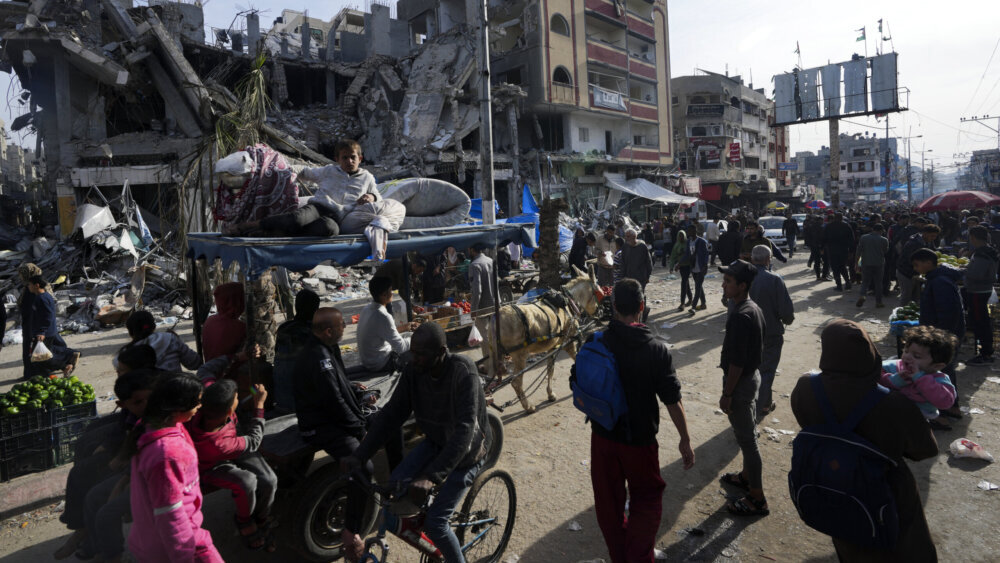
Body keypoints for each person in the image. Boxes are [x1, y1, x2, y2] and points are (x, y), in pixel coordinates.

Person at [790, 319, 938, 562]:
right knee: (904, 545)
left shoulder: (807, 386)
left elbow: (805, 420)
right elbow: (924, 449)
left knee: (851, 539)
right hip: (886, 490)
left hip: (832, 482)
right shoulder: (893, 403)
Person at [343, 322, 489, 563]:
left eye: (422, 354)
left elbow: (465, 431)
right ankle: (431, 542)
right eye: (413, 352)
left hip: (468, 451)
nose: (415, 359)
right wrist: (360, 455)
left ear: (442, 352)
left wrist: (431, 476)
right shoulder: (414, 370)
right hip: (436, 441)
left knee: (437, 524)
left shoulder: (463, 371)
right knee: (395, 487)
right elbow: (392, 414)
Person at [577, 278, 695, 563]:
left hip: (602, 437)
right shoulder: (655, 349)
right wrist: (685, 439)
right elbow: (671, 399)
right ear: (641, 307)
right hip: (639, 442)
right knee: (647, 498)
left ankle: (620, 556)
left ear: (613, 306)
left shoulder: (596, 340)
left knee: (609, 502)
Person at [294, 307, 404, 555]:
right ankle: (351, 530)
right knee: (363, 466)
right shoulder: (318, 357)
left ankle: (398, 481)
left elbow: (337, 387)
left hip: (339, 418)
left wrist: (356, 390)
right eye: (342, 325)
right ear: (329, 331)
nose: (345, 328)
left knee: (390, 422)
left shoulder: (325, 349)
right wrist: (360, 431)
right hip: (323, 426)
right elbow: (334, 402)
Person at [55, 369, 158, 561]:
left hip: (144, 476)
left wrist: (123, 481)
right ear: (122, 405)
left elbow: (149, 456)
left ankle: (108, 552)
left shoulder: (159, 421)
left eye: (148, 400)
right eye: (138, 402)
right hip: (132, 469)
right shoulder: (136, 419)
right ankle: (92, 540)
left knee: (101, 505)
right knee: (90, 489)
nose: (146, 405)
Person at [126, 372, 222, 563]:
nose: (199, 407)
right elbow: (170, 516)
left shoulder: (155, 424)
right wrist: (184, 557)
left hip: (155, 539)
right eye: (197, 403)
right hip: (177, 547)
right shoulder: (167, 454)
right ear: (178, 408)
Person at [187, 380, 277, 552]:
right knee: (247, 482)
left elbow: (212, 379)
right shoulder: (216, 444)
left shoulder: (208, 403)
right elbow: (254, 441)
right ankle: (244, 520)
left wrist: (251, 385)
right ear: (229, 411)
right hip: (211, 465)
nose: (238, 398)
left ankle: (262, 516)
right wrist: (259, 404)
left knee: (270, 480)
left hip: (234, 440)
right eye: (236, 398)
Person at [228, 139, 380, 238]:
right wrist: (285, 171)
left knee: (329, 230)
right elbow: (305, 172)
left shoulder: (367, 177)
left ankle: (271, 232)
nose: (349, 161)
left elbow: (378, 196)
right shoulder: (329, 171)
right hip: (318, 207)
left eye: (353, 157)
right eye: (344, 157)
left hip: (338, 217)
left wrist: (371, 197)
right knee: (297, 218)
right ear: (337, 159)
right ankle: (250, 225)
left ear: (360, 158)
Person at [717, 260, 769, 516]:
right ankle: (747, 477)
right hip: (750, 378)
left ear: (742, 285)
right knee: (746, 432)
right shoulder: (751, 308)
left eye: (728, 281)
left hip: (740, 384)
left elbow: (737, 363)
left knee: (748, 441)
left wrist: (727, 394)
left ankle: (757, 497)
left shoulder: (742, 315)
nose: (724, 285)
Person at [911, 247, 964, 419]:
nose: (916, 269)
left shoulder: (940, 281)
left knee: (938, 371)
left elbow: (949, 313)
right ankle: (951, 407)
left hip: (942, 336)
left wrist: (938, 338)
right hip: (942, 334)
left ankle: (941, 414)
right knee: (946, 370)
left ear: (928, 263)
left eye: (917, 265)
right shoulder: (937, 278)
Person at [881, 326, 958, 431]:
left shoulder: (938, 380)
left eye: (917, 356)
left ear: (937, 366)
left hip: (916, 424)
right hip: (886, 417)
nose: (907, 357)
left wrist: (921, 379)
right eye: (906, 351)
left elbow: (946, 402)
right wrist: (894, 380)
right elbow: (873, 376)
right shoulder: (893, 367)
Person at [748, 246, 794, 416]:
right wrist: (787, 320)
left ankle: (765, 403)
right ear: (768, 260)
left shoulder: (743, 278)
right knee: (766, 371)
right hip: (770, 332)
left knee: (753, 369)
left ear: (753, 259)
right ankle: (758, 409)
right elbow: (786, 311)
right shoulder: (775, 279)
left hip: (747, 333)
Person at [272, 288, 320, 412]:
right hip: (301, 403)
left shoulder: (284, 328)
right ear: (316, 309)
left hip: (281, 397)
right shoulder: (313, 332)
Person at [357, 276, 417, 372]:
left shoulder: (367, 309)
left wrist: (405, 328)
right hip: (379, 363)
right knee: (420, 345)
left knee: (409, 335)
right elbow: (401, 348)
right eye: (390, 291)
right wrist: (417, 337)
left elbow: (383, 333)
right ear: (384, 295)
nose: (392, 293)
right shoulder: (383, 315)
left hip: (368, 360)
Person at [26, 275, 80, 376]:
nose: (28, 287)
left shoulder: (41, 299)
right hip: (49, 331)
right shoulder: (45, 296)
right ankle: (70, 355)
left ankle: (65, 365)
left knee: (41, 357)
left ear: (36, 285)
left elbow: (48, 316)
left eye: (29, 285)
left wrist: (41, 331)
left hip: (45, 333)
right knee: (50, 352)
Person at [117, 310, 202, 373]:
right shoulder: (170, 339)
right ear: (153, 326)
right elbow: (195, 363)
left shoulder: (125, 354)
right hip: (177, 391)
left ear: (130, 333)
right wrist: (178, 341)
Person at [964, 225, 998, 366]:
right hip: (983, 290)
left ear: (973, 237)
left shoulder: (982, 253)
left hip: (978, 292)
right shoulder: (989, 250)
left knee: (981, 323)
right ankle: (985, 351)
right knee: (981, 321)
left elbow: (976, 274)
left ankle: (985, 354)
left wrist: (964, 270)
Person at [200, 282, 247, 362]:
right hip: (229, 373)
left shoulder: (210, 320)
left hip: (210, 371)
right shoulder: (239, 327)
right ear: (237, 302)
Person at [897, 224, 940, 305]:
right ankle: (900, 315)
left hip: (917, 273)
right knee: (906, 297)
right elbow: (909, 260)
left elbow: (933, 251)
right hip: (905, 273)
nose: (933, 238)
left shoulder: (928, 242)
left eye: (935, 236)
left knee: (916, 298)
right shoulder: (913, 243)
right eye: (932, 236)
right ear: (925, 233)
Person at [468, 243, 495, 356]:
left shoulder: (475, 265)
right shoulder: (490, 261)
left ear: (472, 250)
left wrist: (473, 309)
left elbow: (477, 290)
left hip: (482, 307)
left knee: (484, 336)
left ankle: (489, 363)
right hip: (494, 303)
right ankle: (499, 360)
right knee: (495, 334)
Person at [855, 223, 890, 308]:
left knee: (865, 282)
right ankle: (879, 302)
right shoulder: (884, 240)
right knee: (878, 283)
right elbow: (885, 251)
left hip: (866, 263)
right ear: (881, 231)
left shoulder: (863, 237)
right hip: (879, 263)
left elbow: (858, 251)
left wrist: (856, 263)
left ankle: (862, 295)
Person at [17, 263, 41, 379]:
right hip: (29, 323)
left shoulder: (33, 288)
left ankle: (31, 374)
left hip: (33, 324)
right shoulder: (29, 287)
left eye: (22, 274)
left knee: (31, 350)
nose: (21, 277)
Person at [822, 213, 855, 292]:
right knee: (842, 267)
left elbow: (824, 239)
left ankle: (839, 286)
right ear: (841, 218)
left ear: (834, 218)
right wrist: (851, 251)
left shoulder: (829, 226)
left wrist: (822, 248)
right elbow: (851, 240)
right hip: (843, 250)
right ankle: (847, 282)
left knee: (835, 268)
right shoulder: (846, 226)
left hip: (832, 251)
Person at [685, 224, 710, 315]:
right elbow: (687, 254)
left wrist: (705, 265)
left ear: (694, 231)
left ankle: (693, 307)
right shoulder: (688, 241)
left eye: (689, 231)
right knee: (699, 286)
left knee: (697, 287)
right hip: (693, 267)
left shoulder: (702, 241)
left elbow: (706, 254)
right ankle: (703, 304)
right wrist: (679, 263)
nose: (688, 232)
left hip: (701, 268)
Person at [672, 227, 693, 311]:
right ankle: (690, 299)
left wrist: (679, 263)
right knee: (686, 282)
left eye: (682, 236)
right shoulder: (677, 244)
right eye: (679, 236)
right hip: (681, 267)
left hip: (688, 265)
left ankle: (682, 303)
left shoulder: (687, 243)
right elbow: (673, 256)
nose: (680, 237)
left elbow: (688, 254)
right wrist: (671, 266)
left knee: (683, 282)